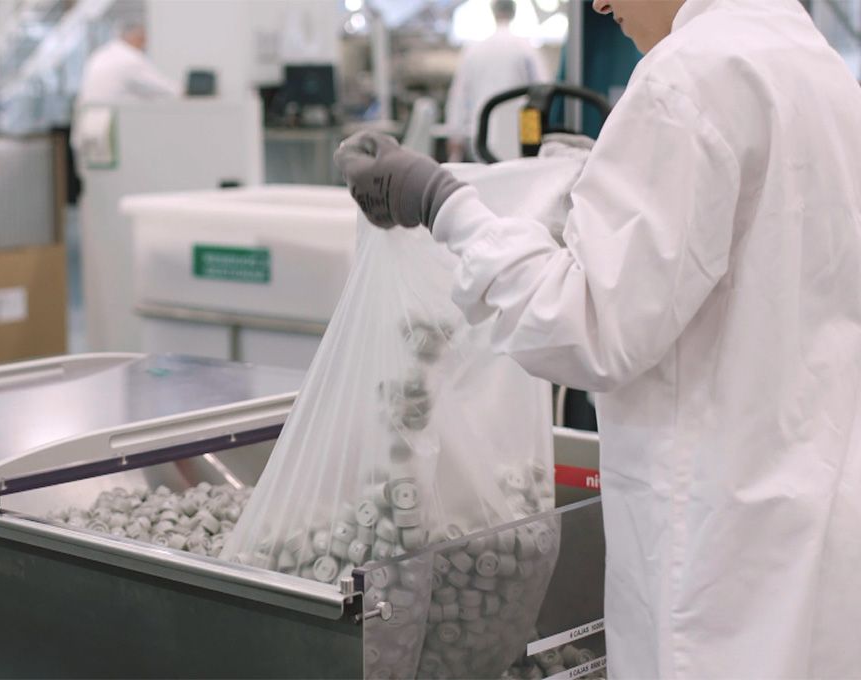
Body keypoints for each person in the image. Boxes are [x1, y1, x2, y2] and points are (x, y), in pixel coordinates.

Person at [335, 0, 861, 677]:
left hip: (716, 565)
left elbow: (582, 325)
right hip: (808, 537)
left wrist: (444, 204)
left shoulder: (688, 76)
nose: (599, 3)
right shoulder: (815, 65)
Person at [444, 0, 544, 161]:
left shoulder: (473, 49)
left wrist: (455, 136)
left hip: (481, 135)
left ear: (493, 13)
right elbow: (541, 92)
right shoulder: (526, 48)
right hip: (518, 135)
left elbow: (459, 96)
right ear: (514, 13)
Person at [75, 21, 180, 107]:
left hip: (89, 122)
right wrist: (185, 91)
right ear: (138, 38)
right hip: (115, 123)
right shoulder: (130, 58)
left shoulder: (100, 54)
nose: (145, 44)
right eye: (144, 40)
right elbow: (164, 88)